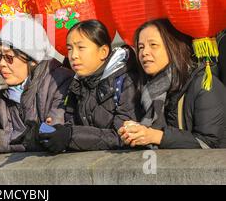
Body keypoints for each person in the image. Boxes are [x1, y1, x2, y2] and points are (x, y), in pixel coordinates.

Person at [0, 16, 73, 159]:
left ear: (33, 60)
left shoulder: (59, 81)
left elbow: (50, 135)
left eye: (9, 57)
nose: (1, 64)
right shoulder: (0, 89)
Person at [119, 19, 226, 149]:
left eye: (153, 45)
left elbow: (211, 142)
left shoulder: (203, 85)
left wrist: (157, 136)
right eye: (141, 47)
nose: (144, 52)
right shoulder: (143, 87)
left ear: (173, 47)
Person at [37, 19, 142, 153]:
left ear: (103, 51)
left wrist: (71, 136)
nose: (73, 56)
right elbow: (71, 124)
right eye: (69, 49)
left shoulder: (126, 81)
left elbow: (123, 136)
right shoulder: (76, 84)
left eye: (81, 48)